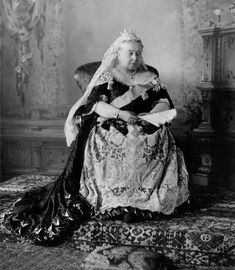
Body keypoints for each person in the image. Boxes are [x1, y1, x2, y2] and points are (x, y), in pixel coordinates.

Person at [4, 30, 190, 243]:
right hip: (112, 124)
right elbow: (95, 104)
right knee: (111, 140)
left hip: (144, 125)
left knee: (159, 137)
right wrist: (120, 114)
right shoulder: (108, 75)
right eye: (130, 53)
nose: (134, 58)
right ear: (118, 53)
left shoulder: (150, 75)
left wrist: (151, 114)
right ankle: (116, 204)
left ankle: (139, 204)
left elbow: (165, 102)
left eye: (138, 53)